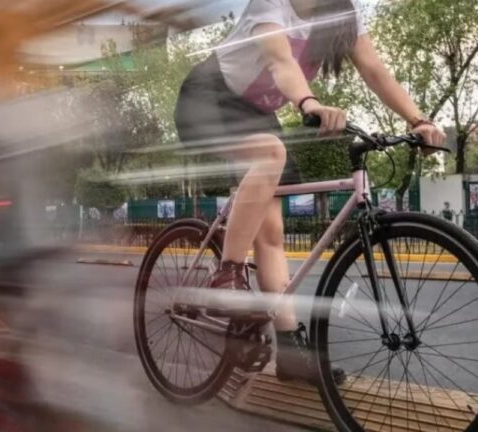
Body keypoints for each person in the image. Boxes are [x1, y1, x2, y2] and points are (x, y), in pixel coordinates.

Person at [174, 0, 447, 384]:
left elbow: (374, 69)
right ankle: (228, 274)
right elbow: (280, 60)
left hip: (255, 114)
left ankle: (290, 354)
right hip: (207, 98)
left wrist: (418, 120)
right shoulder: (271, 4)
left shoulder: (342, 15)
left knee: (271, 234)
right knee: (272, 153)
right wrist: (309, 102)